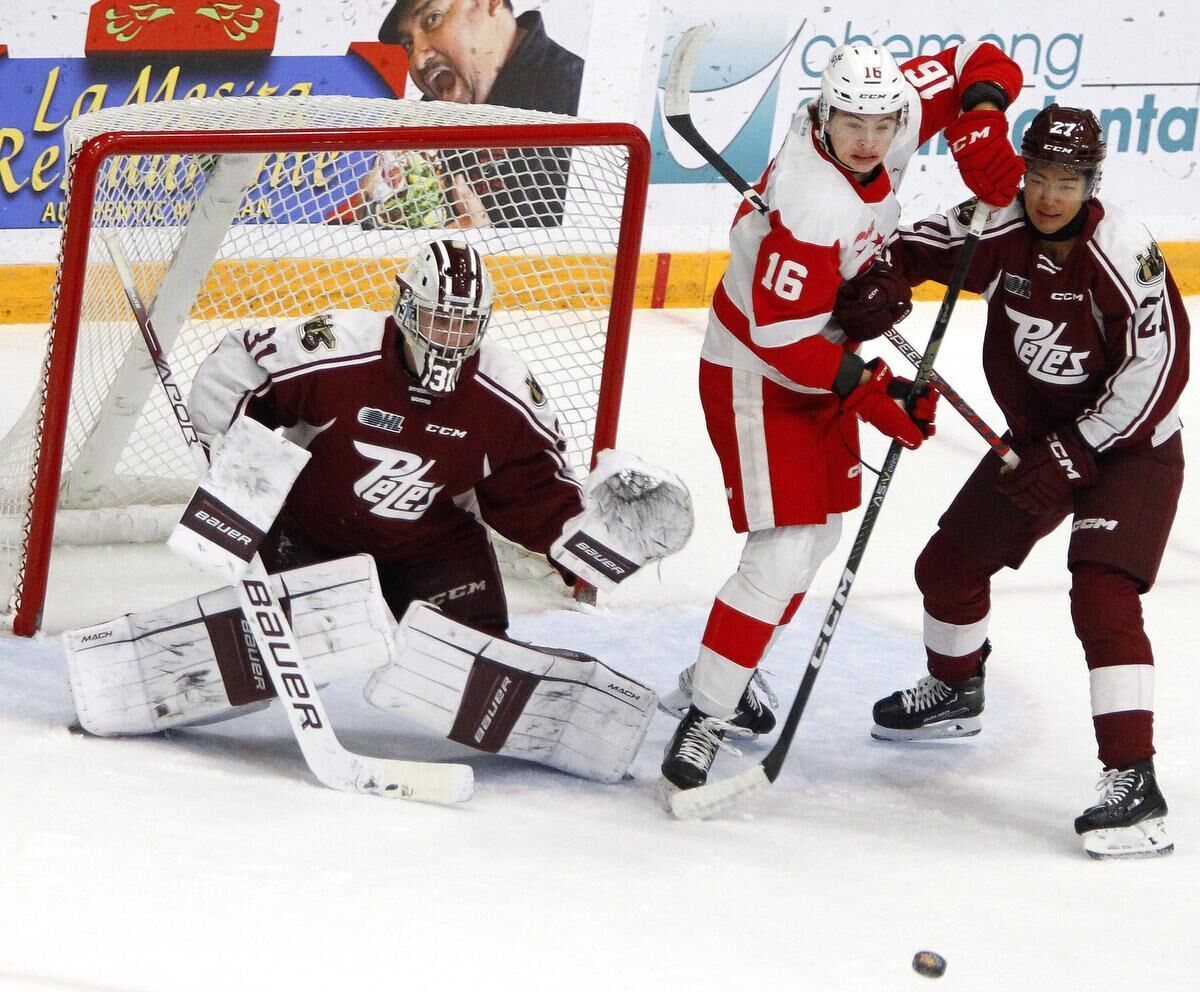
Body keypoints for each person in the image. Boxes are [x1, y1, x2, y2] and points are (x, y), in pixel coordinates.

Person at [659, 41, 1027, 795]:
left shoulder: (888, 124)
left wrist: (984, 113)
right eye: (851, 122)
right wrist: (874, 389)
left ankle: (722, 670)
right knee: (785, 548)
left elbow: (972, 61)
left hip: (813, 356)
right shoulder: (808, 198)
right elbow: (781, 340)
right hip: (757, 373)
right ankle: (704, 711)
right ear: (823, 116)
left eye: (882, 123)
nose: (868, 139)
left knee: (818, 536)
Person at [867, 105, 1188, 859]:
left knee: (1101, 592)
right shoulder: (995, 222)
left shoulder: (1122, 251)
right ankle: (955, 689)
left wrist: (1081, 448)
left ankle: (1134, 783)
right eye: (1039, 176)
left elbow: (1162, 366)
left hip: (1131, 450)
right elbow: (914, 248)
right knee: (945, 568)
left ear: (1091, 182)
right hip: (1042, 442)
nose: (1049, 195)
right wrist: (879, 285)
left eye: (1067, 181)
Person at [189, 237, 582, 637]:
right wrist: (227, 460)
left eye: (464, 324)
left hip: (433, 546)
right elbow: (241, 367)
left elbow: (534, 488)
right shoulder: (339, 346)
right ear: (407, 308)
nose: (450, 338)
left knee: (472, 651)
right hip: (312, 533)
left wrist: (591, 545)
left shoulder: (506, 390)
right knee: (316, 644)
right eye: (439, 319)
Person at [365, 0, 583, 228]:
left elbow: (592, 253)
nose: (418, 60)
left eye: (433, 19)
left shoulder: (578, 98)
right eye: (408, 44)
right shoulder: (432, 112)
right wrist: (374, 202)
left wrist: (486, 243)